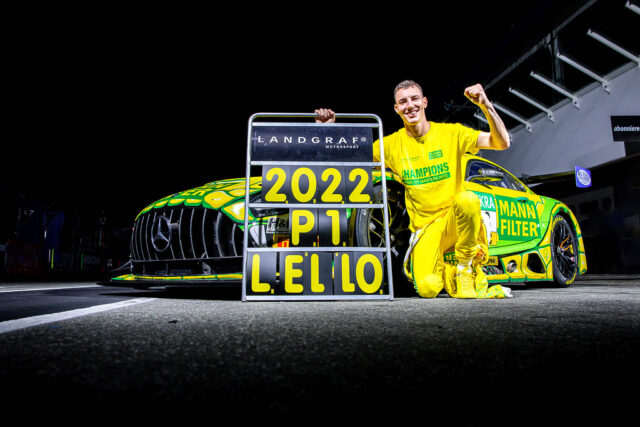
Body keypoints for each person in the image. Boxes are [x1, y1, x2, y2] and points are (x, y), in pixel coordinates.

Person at [315, 80, 512, 298]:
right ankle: (451, 273)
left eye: (414, 99)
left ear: (424, 102)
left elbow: (501, 142)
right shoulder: (390, 145)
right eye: (403, 101)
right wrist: (328, 130)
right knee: (427, 289)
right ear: (396, 109)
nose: (410, 105)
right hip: (426, 228)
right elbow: (347, 159)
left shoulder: (452, 133)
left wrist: (485, 105)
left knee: (468, 200)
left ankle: (465, 269)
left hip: (454, 219)